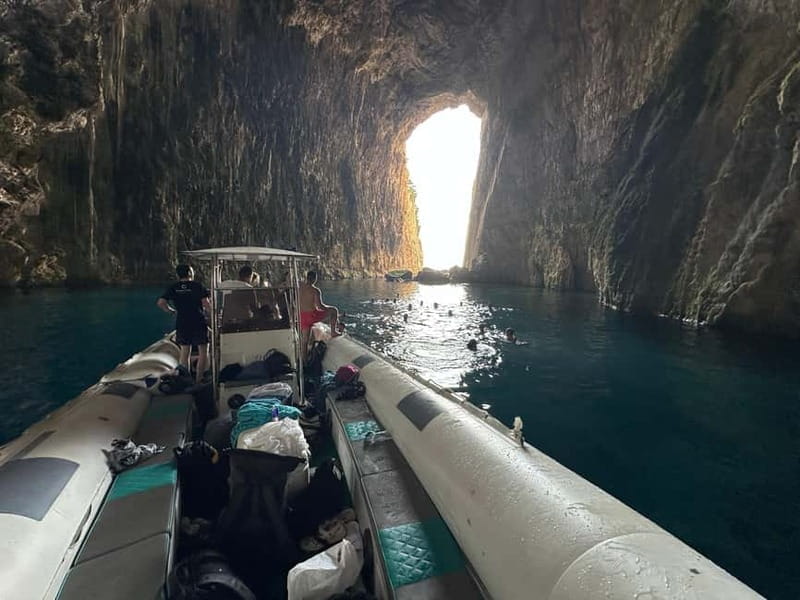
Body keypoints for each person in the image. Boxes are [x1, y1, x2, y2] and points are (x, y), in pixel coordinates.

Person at [157, 264, 210, 383]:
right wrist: (214, 314)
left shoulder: (173, 287)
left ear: (178, 274)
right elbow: (206, 304)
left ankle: (185, 379)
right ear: (190, 273)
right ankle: (199, 378)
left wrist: (171, 311)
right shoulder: (197, 286)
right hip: (198, 321)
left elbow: (161, 302)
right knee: (203, 351)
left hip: (182, 322)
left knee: (185, 351)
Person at [299, 270, 342, 353]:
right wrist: (328, 308)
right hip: (312, 316)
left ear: (307, 277)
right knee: (334, 310)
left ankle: (303, 361)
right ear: (315, 279)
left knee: (304, 342)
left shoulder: (300, 286)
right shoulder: (315, 290)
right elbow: (320, 306)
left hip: (302, 316)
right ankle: (333, 332)